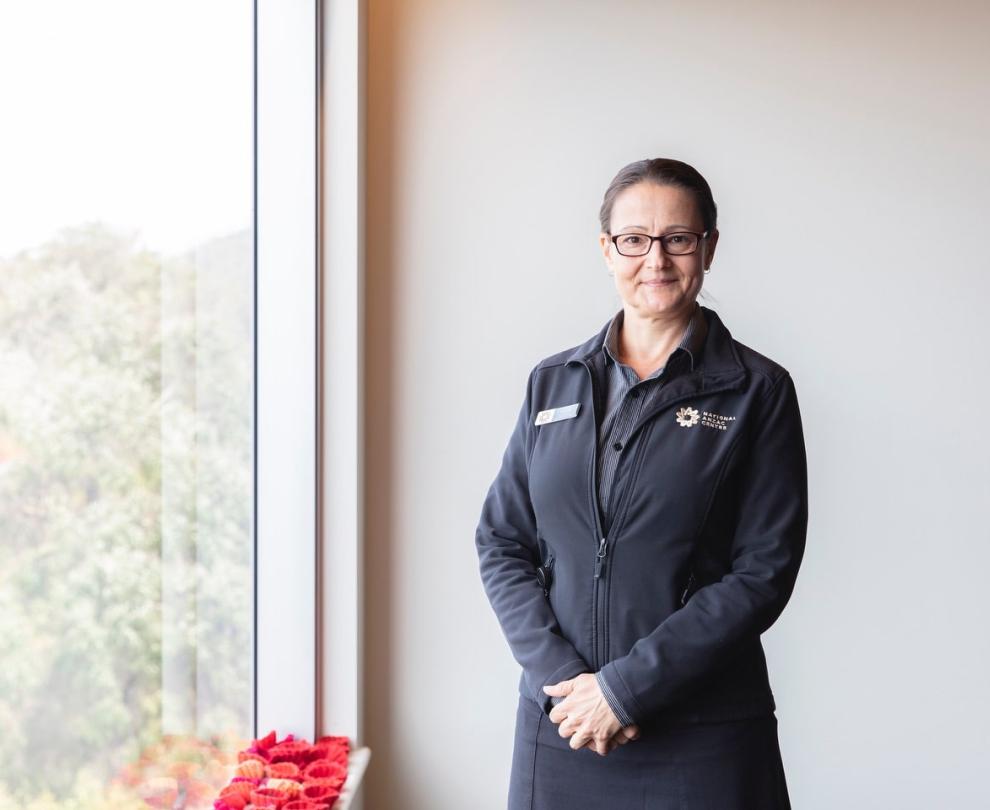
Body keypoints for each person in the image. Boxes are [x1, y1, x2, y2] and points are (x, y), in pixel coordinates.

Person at [475, 157, 808, 809]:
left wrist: (624, 691)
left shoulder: (758, 391)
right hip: (564, 725)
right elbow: (502, 540)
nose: (655, 259)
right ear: (607, 249)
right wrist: (566, 682)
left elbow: (763, 571)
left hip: (702, 733)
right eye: (634, 239)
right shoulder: (554, 382)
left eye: (678, 239)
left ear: (708, 248)